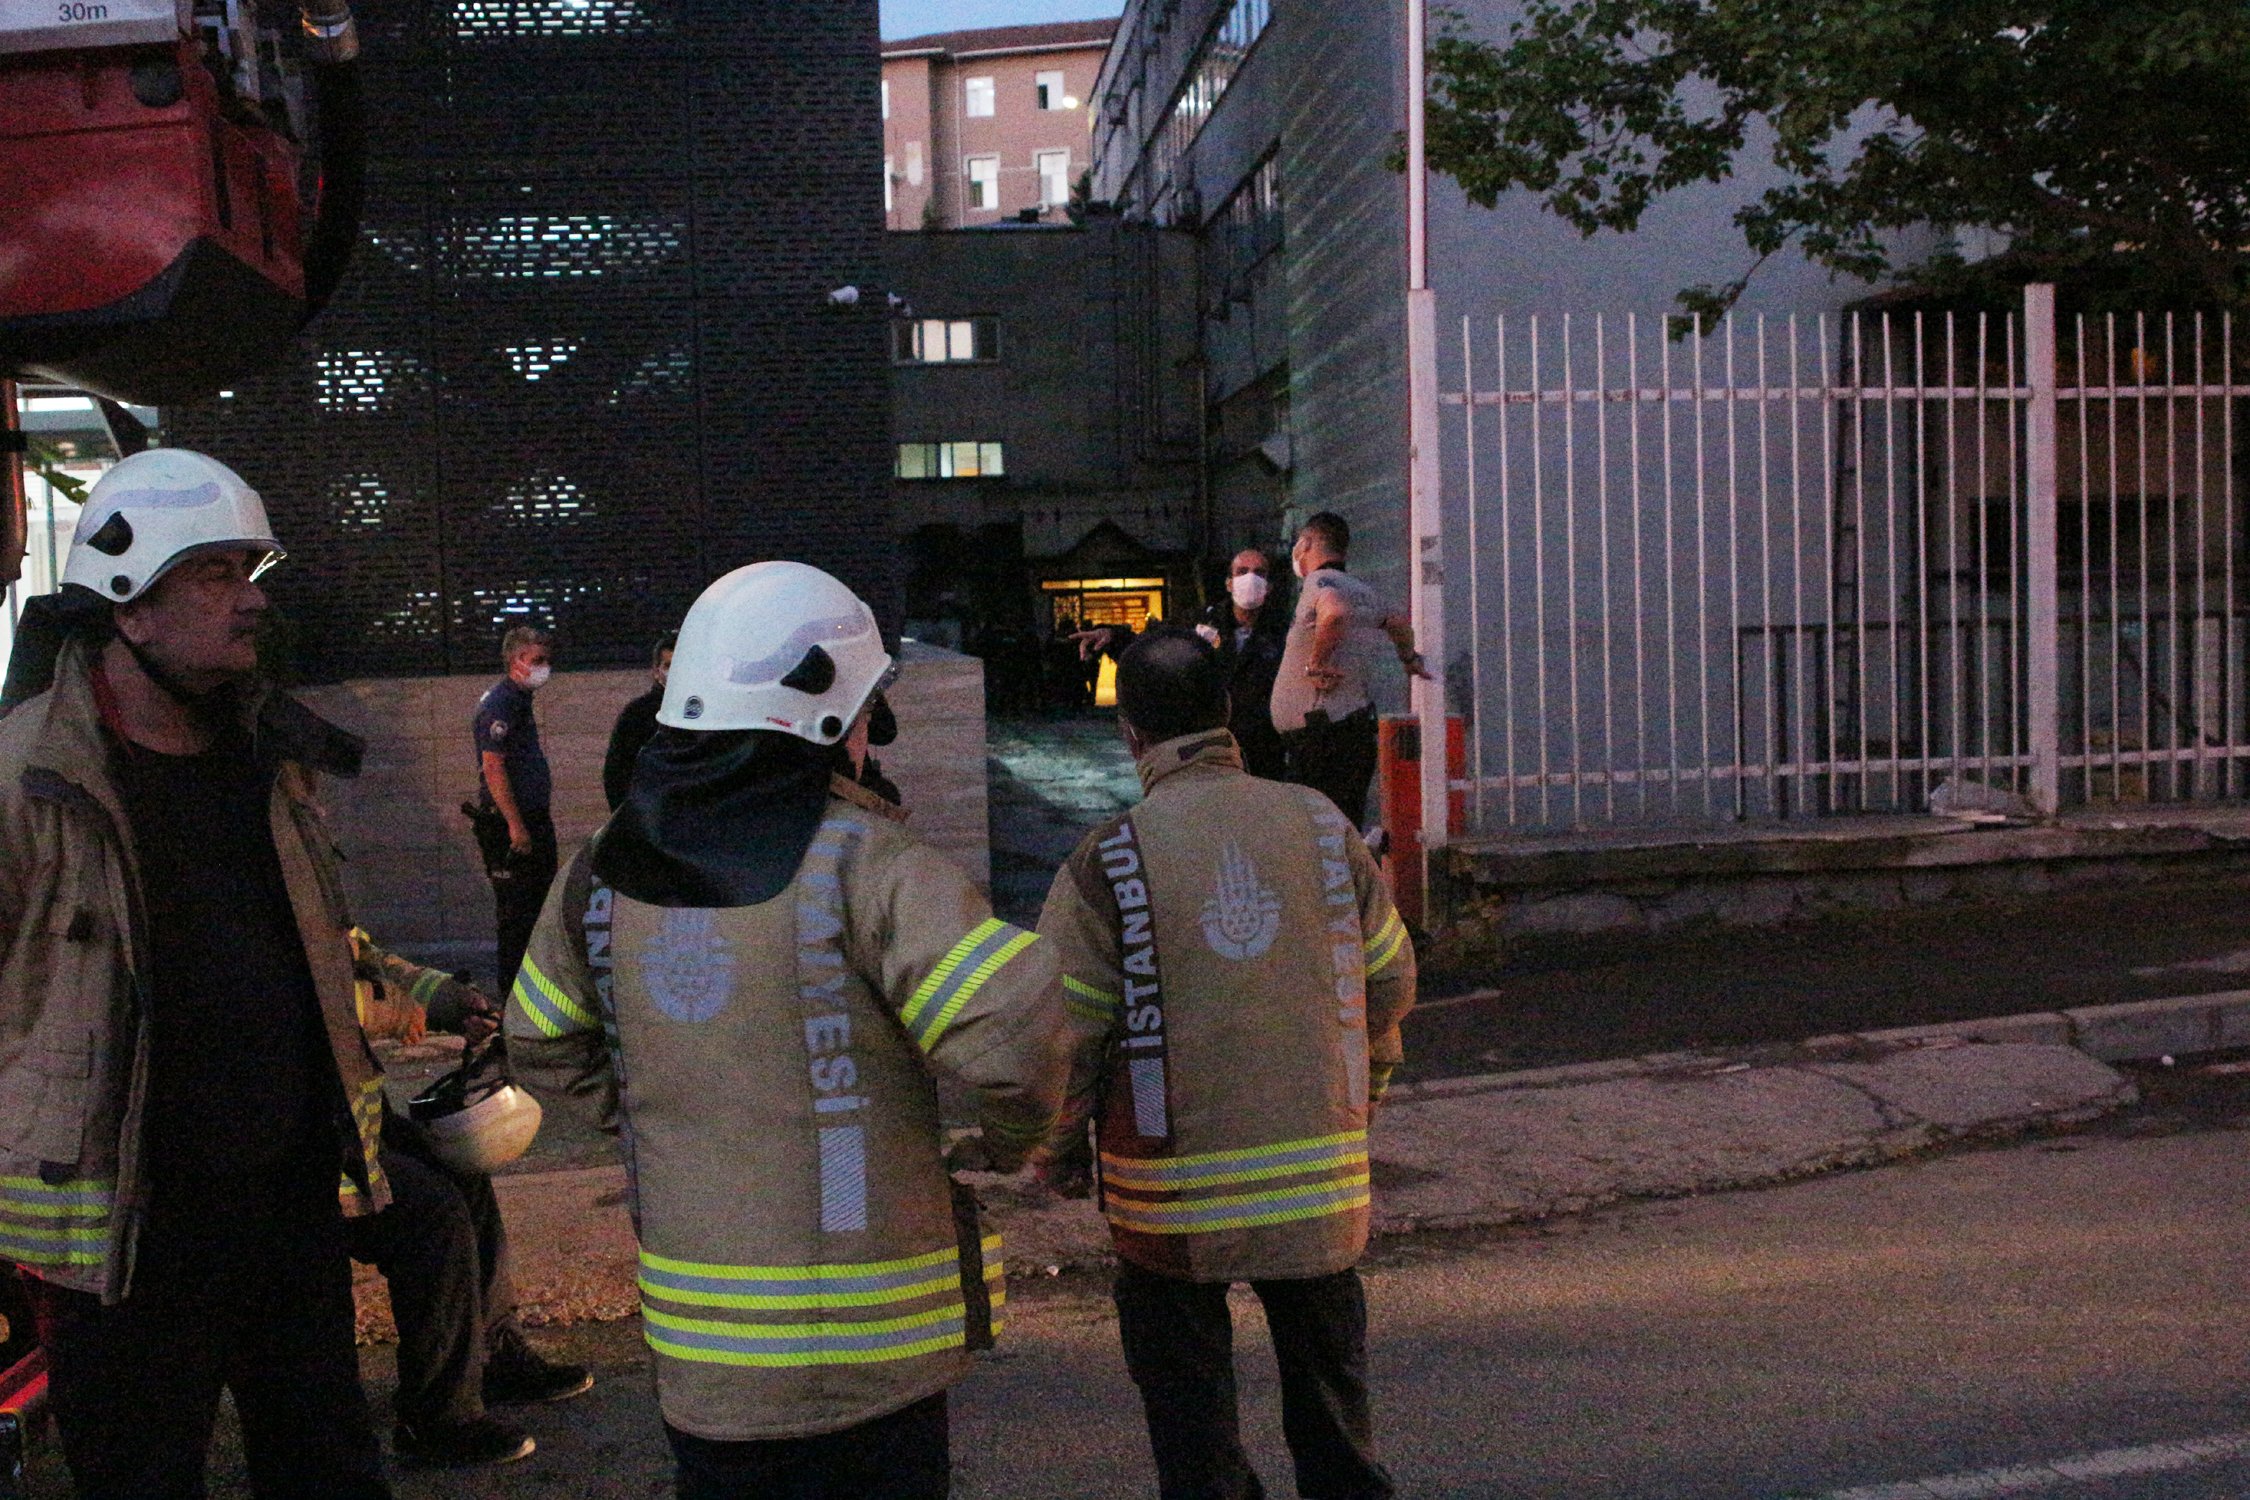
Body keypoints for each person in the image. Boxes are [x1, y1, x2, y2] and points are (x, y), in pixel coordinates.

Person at [503, 561, 1069, 1500]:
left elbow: (539, 1034)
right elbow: (1014, 1031)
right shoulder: (866, 862)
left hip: (701, 1365)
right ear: (826, 719)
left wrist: (650, 1117)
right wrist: (1009, 1146)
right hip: (874, 1364)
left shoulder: (599, 870)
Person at [0, 449, 395, 1499]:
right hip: (125, 1236)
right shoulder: (27, 780)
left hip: (286, 1205)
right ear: (130, 610)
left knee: (328, 1469)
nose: (248, 602)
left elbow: (316, 944)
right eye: (213, 574)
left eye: (248, 571)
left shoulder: (269, 753)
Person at [1034, 627, 1417, 1500]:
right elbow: (1389, 981)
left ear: (1130, 733)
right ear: (1230, 713)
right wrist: (1360, 1104)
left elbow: (1067, 1032)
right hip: (1318, 1182)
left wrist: (1056, 1150)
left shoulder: (1110, 858)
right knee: (1334, 1427)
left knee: (1193, 1430)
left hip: (1171, 1204)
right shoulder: (1322, 824)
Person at [344, 931, 594, 1468]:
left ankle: (492, 1354)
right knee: (430, 1217)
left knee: (462, 1174)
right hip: (295, 1135)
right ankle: (436, 1417)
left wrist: (448, 1000)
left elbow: (361, 954)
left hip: (349, 1117)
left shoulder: (292, 859)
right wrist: (406, 1010)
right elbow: (310, 995)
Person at [1271, 512, 1431, 828]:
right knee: (1344, 830)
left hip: (1320, 740)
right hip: (1352, 732)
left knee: (1315, 834)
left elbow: (1334, 612)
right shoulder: (1362, 590)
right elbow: (1398, 624)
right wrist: (1409, 659)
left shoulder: (1320, 582)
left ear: (1306, 543)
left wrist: (1317, 662)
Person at [474, 624, 557, 990]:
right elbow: (492, 766)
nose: (543, 667)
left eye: (545, 660)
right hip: (513, 827)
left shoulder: (518, 702)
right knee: (518, 919)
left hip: (528, 820)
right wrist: (516, 826)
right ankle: (514, 1000)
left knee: (536, 911)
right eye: (535, 660)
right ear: (515, 660)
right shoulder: (501, 703)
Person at [1191, 549, 1289, 780]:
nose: (1250, 579)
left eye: (1259, 573)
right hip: (1216, 746)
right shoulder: (1206, 623)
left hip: (1265, 748)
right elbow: (1164, 637)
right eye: (1242, 572)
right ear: (1229, 583)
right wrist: (1113, 634)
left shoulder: (1283, 631)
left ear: (1269, 586)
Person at [604, 631, 677, 811]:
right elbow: (617, 771)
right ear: (656, 671)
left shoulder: (704, 711)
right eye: (668, 665)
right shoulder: (637, 714)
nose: (675, 672)